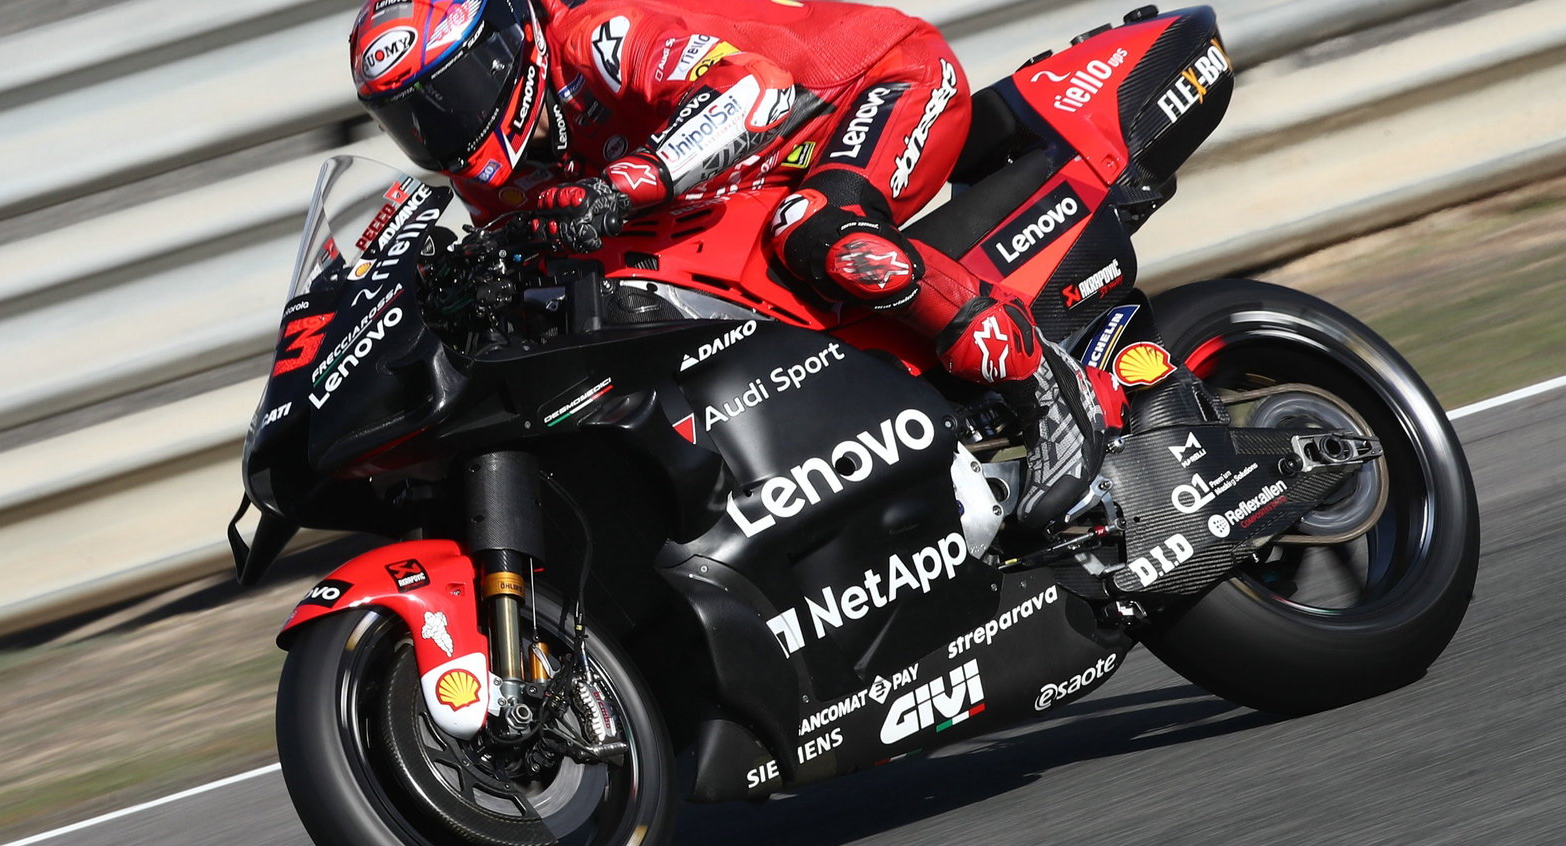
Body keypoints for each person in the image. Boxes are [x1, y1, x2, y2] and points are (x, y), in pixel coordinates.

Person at [348, 0, 1121, 529]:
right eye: (411, 118)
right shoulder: (494, 175)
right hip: (756, 167)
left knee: (820, 232)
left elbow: (753, 93)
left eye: (449, 95)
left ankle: (1046, 385)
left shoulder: (593, 35)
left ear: (501, 46)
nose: (438, 128)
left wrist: (623, 185)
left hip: (871, 84)